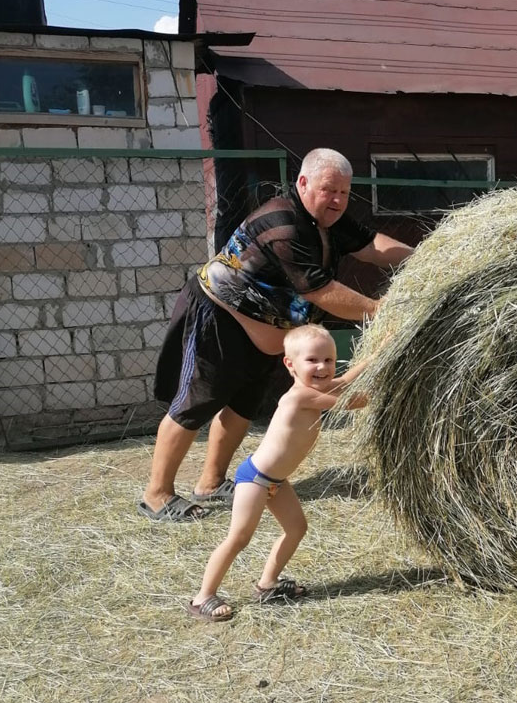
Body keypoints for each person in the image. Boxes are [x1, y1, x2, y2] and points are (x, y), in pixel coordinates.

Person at [138, 148, 413, 521]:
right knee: (197, 402)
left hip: (268, 326)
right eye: (328, 190)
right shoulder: (283, 222)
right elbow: (318, 290)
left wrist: (425, 255)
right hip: (221, 314)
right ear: (303, 183)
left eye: (344, 193)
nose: (336, 200)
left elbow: (371, 246)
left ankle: (211, 481)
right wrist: (384, 312)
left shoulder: (330, 220)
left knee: (243, 404)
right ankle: (157, 495)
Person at [187, 325, 367, 621]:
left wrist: (378, 356)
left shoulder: (315, 389)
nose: (322, 367)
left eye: (329, 360)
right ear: (290, 364)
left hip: (276, 481)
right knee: (238, 538)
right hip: (256, 478)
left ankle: (268, 584)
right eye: (312, 360)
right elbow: (352, 400)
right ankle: (202, 597)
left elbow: (345, 381)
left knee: (297, 528)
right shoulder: (298, 397)